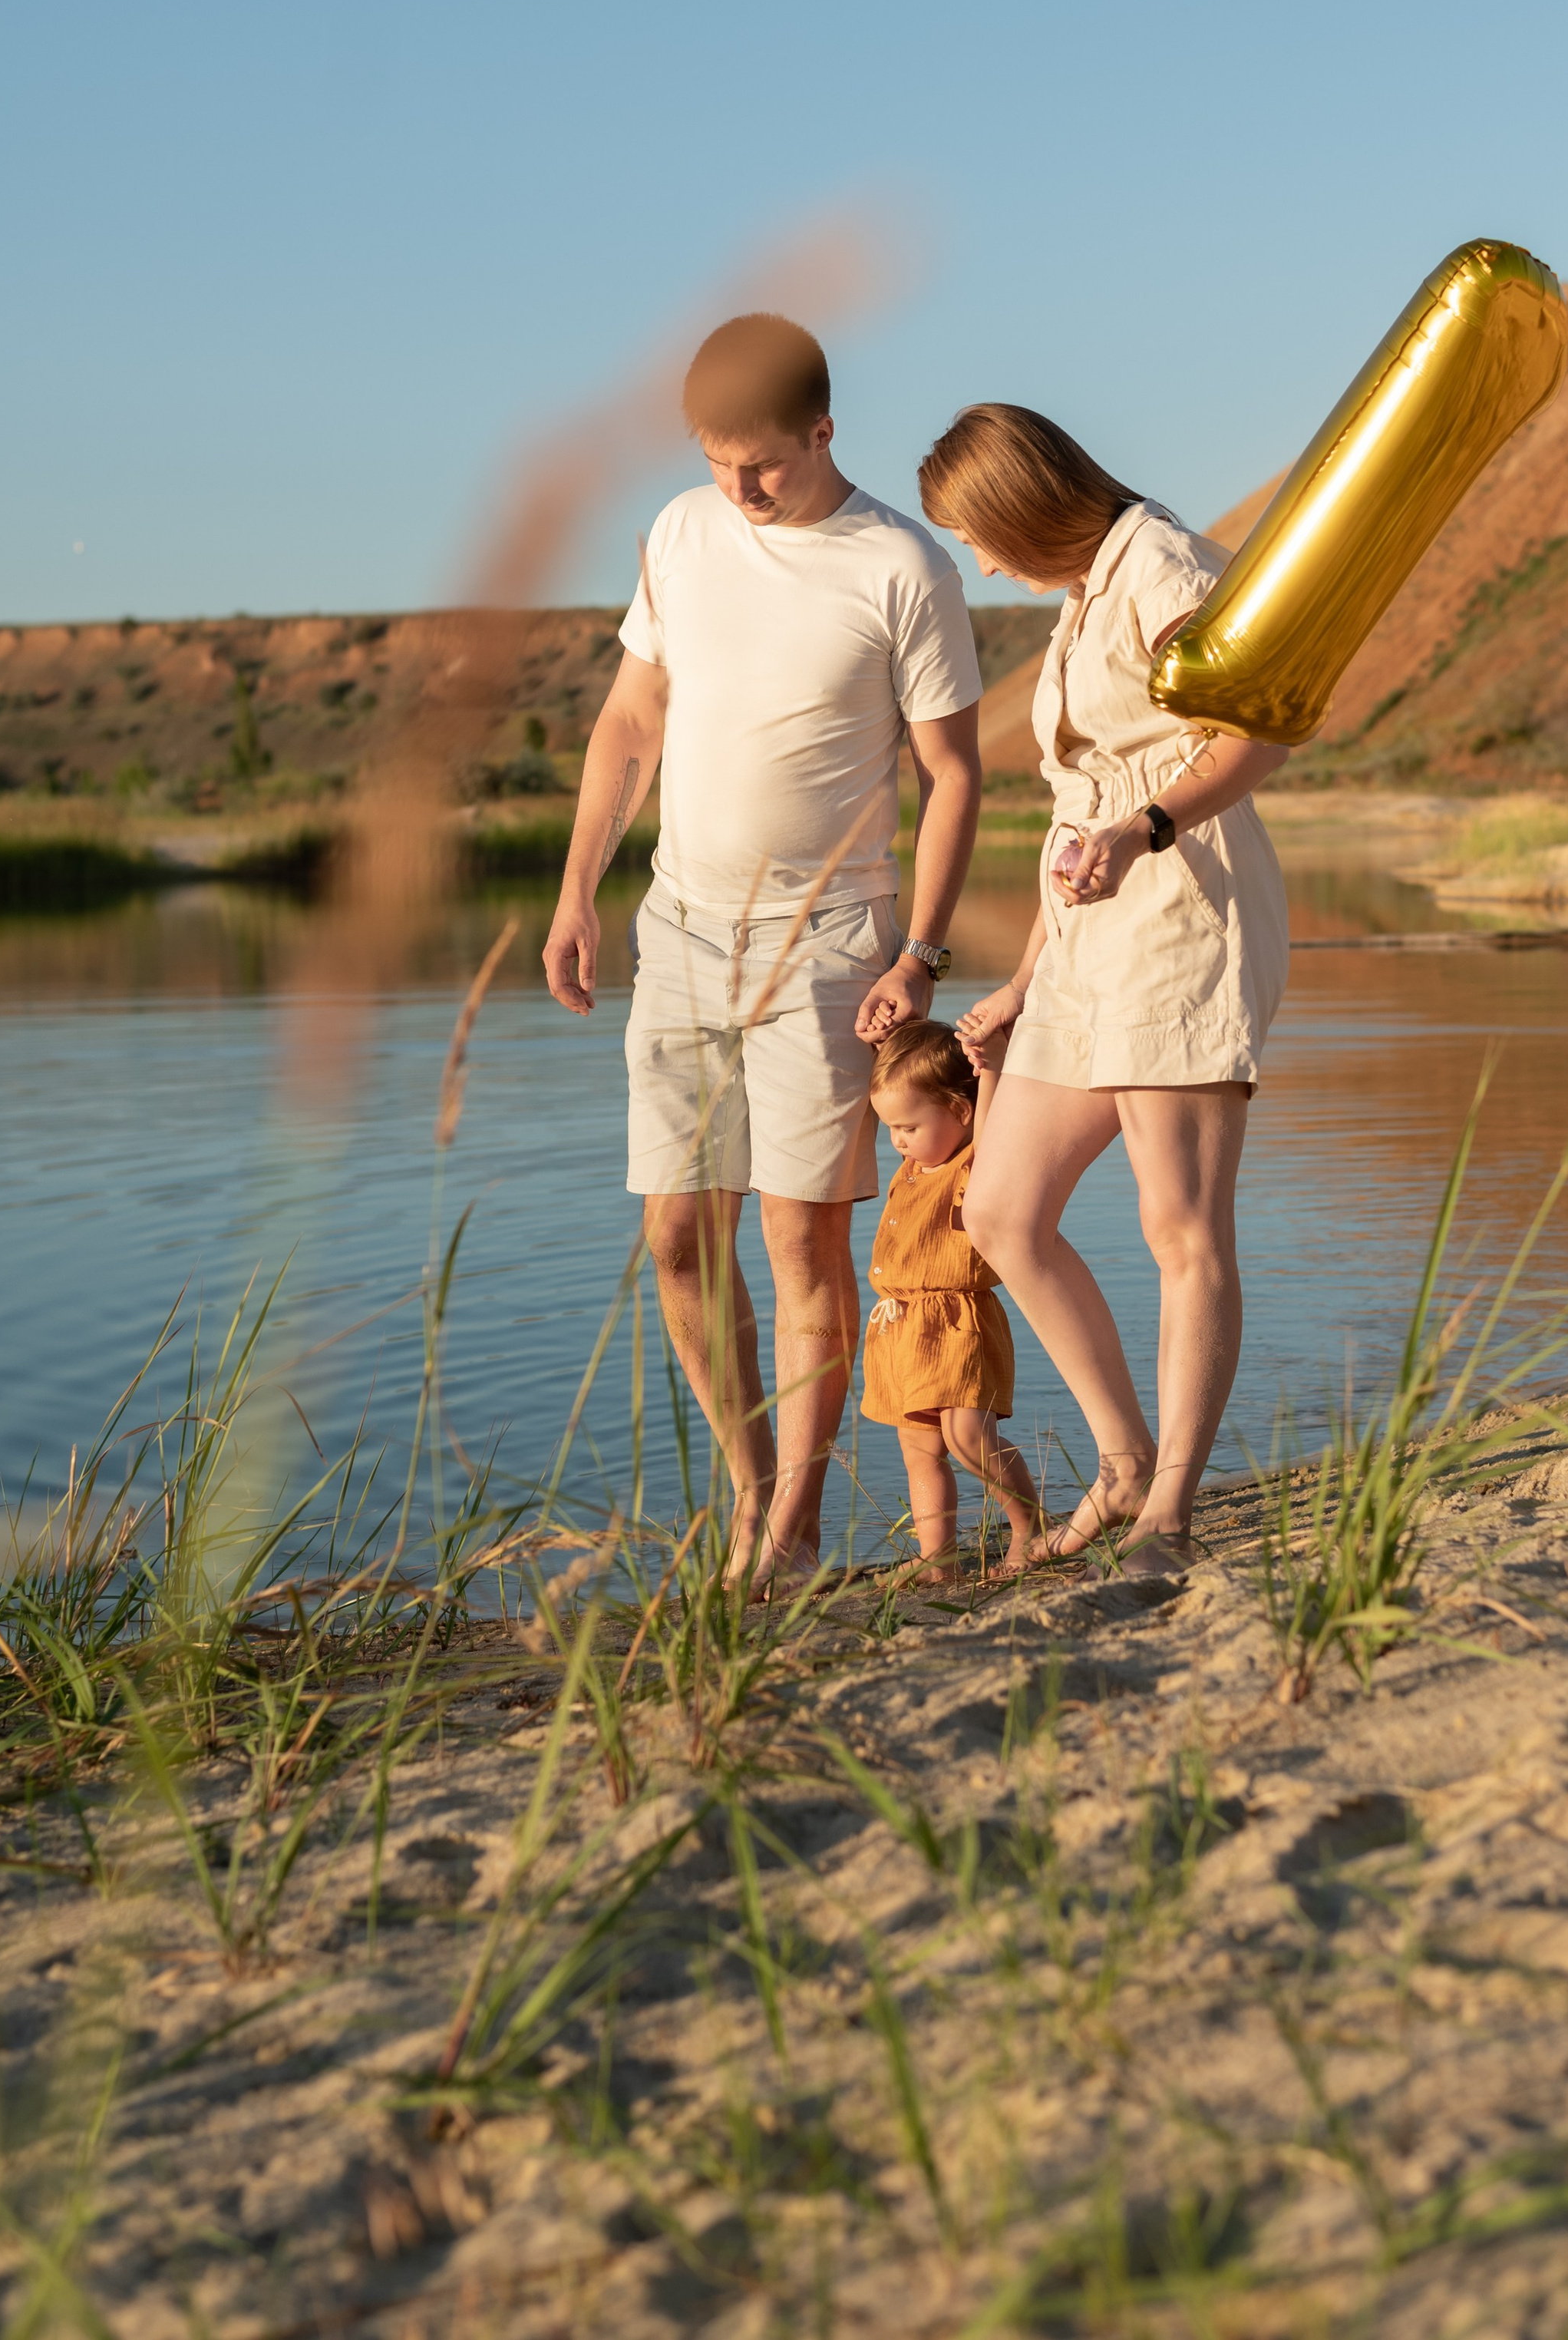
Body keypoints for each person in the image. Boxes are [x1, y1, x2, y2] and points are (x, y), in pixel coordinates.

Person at [542, 313, 983, 1587]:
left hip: (831, 950)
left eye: (763, 467)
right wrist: (579, 889)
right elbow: (634, 716)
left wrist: (922, 957)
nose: (736, 491)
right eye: (714, 461)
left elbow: (953, 778)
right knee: (677, 1238)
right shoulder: (682, 533)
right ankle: (747, 1496)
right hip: (678, 932)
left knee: (803, 1245)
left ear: (824, 431)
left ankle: (789, 1537)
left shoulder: (903, 568)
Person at [919, 404, 1291, 1572]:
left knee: (1179, 1222)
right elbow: (1076, 818)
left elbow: (1265, 725)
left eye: (978, 534)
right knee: (1001, 1211)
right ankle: (1123, 1459)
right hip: (1089, 932)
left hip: (1184, 905)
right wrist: (1026, 978)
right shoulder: (1084, 595)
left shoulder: (1162, 563)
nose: (979, 561)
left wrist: (1149, 825)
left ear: (1021, 504)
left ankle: (1172, 1512)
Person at [863, 1017, 1044, 1577]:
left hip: (959, 1321)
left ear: (960, 1113)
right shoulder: (914, 1164)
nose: (896, 1138)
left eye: (907, 1125)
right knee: (920, 1450)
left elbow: (992, 1127)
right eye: (889, 1126)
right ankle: (937, 1557)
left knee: (968, 1437)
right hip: (903, 1327)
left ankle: (1029, 1525)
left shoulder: (974, 1164)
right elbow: (908, 1083)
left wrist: (988, 1070)